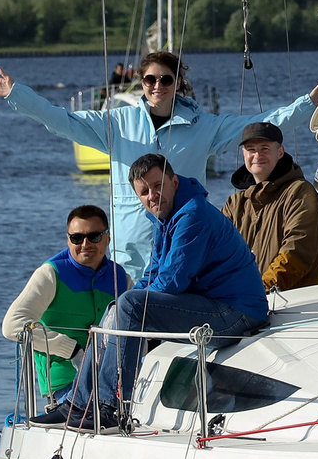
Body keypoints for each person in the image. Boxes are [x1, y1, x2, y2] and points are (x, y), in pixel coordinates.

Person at [0, 49, 318, 274]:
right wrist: (15, 94)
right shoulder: (116, 123)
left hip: (184, 246)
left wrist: (309, 102)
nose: (158, 85)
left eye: (166, 79)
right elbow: (60, 120)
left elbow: (264, 123)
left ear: (177, 83)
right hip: (130, 252)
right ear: (141, 83)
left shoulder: (204, 126)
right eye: (150, 79)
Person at [36, 152, 268, 427]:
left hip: (238, 314)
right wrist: (120, 308)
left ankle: (110, 406)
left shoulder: (192, 215)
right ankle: (77, 403)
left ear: (174, 181)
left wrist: (128, 305)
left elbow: (172, 282)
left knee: (129, 306)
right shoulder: (166, 217)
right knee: (118, 307)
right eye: (144, 192)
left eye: (158, 185)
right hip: (214, 305)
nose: (152, 195)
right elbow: (152, 274)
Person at [0, 205, 132, 402]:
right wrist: (70, 350)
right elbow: (11, 326)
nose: (85, 244)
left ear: (108, 238)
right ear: (68, 240)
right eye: (77, 238)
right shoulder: (51, 274)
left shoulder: (121, 278)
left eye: (94, 236)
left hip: (115, 381)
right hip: (66, 385)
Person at [221, 120, 318, 292]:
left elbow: (297, 251)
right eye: (251, 150)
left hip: (295, 302)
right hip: (244, 301)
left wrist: (260, 290)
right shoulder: (235, 202)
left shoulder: (300, 192)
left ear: (280, 152)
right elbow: (217, 250)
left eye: (265, 149)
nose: (257, 155)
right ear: (243, 154)